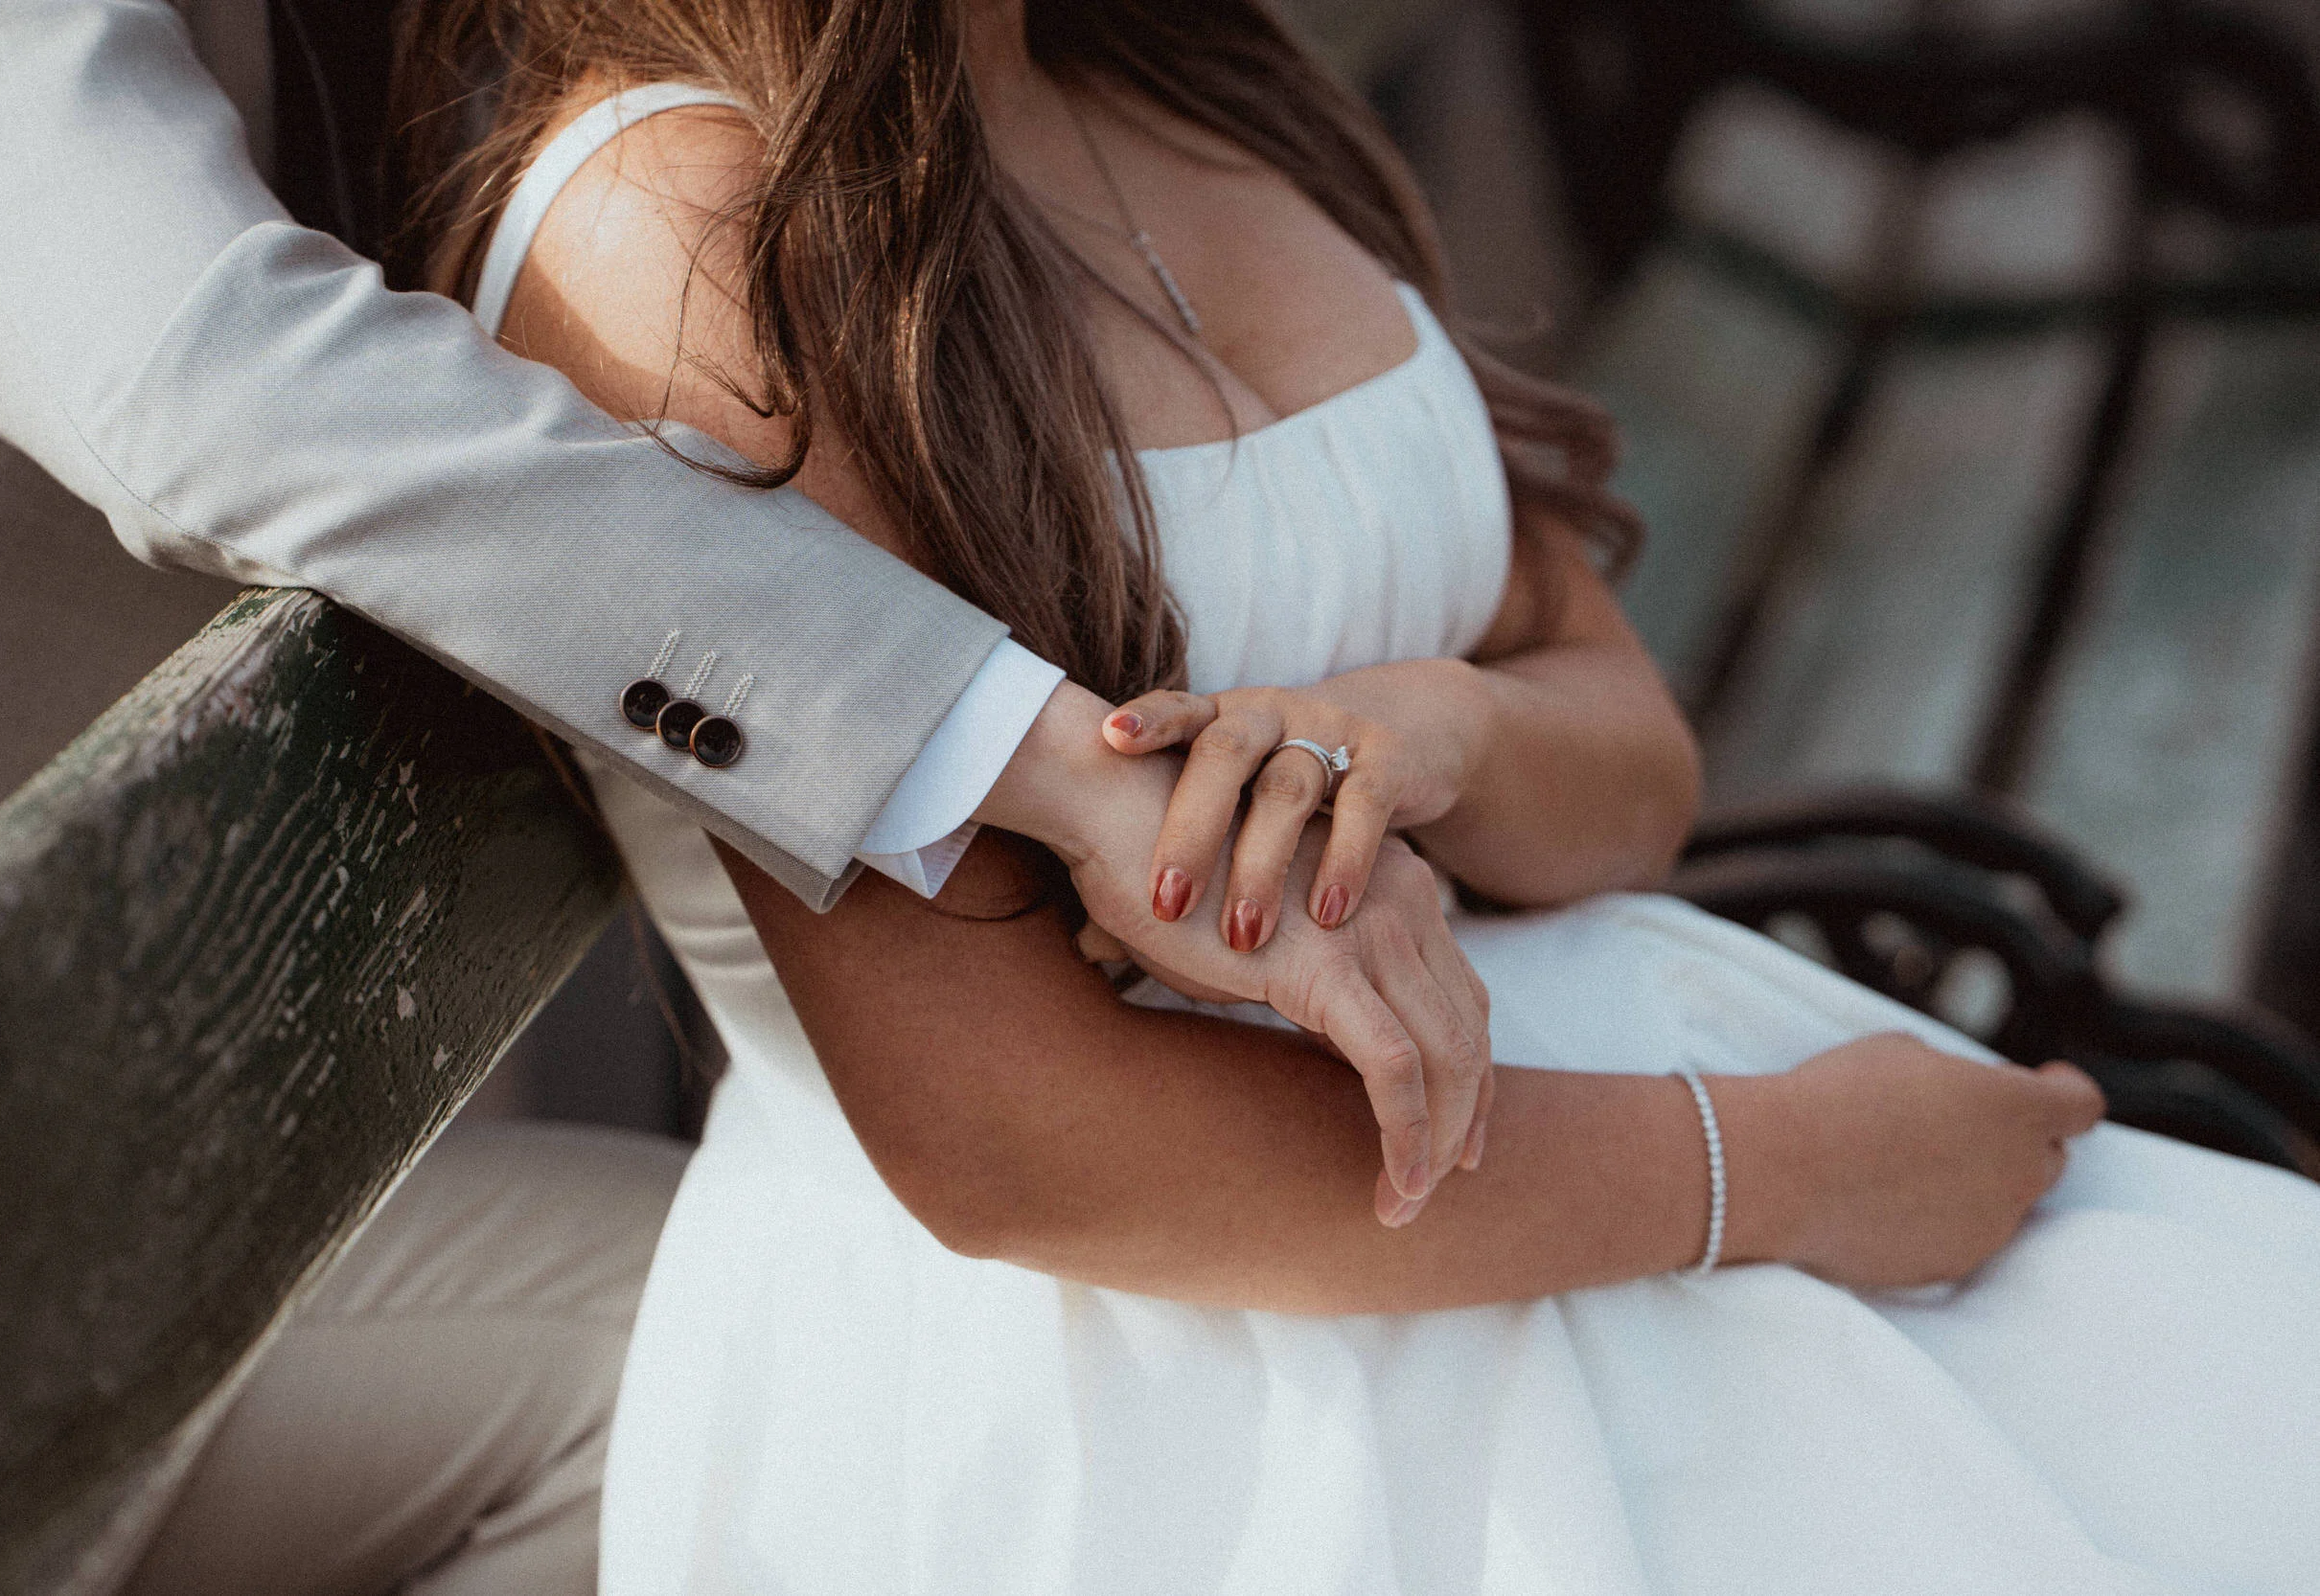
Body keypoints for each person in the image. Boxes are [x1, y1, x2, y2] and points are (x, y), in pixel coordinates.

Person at [126, 0, 2320, 1589]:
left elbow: (1628, 759)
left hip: (1631, 1149)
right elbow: (1016, 1147)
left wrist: (1426, 725)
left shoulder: (1163, 72)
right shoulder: (687, 235)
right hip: (1196, 1363)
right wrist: (1786, 1165)